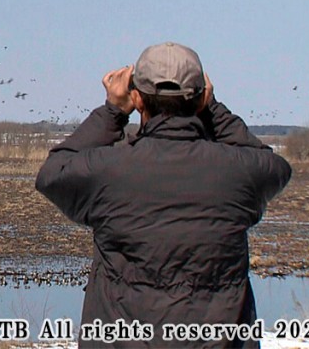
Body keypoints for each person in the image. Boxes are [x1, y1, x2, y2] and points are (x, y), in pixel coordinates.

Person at [36, 42, 291, 348]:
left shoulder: (110, 170)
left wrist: (112, 112)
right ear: (200, 98)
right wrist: (214, 111)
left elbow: (53, 173)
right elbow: (275, 167)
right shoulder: (238, 172)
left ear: (138, 99)